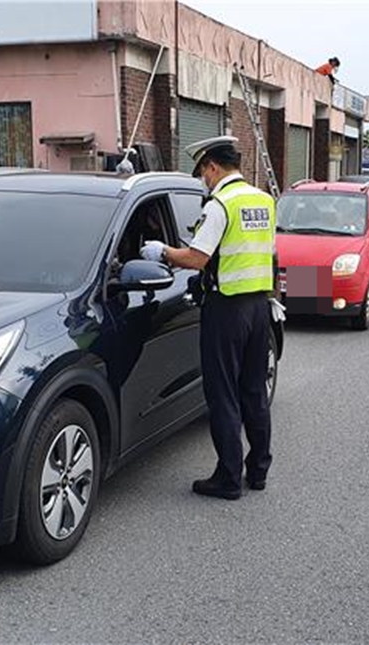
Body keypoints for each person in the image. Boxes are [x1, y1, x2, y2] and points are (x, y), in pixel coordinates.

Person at [140, 136, 275, 499]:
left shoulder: (221, 204)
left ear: (213, 166)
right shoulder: (263, 200)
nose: (204, 180)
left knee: (223, 394)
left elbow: (197, 258)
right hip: (259, 307)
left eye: (203, 172)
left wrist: (163, 251)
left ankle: (228, 478)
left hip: (227, 308)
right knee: (253, 391)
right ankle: (258, 470)